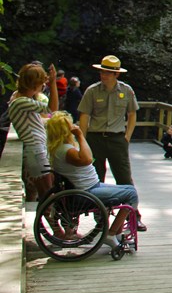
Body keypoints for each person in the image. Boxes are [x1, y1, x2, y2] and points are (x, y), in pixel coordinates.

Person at [46, 111, 139, 249]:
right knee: (132, 194)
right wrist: (80, 136)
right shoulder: (67, 151)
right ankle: (111, 233)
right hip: (86, 192)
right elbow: (88, 159)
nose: (74, 127)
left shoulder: (58, 148)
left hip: (87, 187)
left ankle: (117, 233)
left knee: (128, 189)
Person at [77, 55, 146, 231]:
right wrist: (82, 140)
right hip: (95, 138)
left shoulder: (126, 91)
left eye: (108, 72)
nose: (103, 75)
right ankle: (100, 218)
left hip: (117, 139)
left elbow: (132, 114)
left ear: (116, 74)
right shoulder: (92, 91)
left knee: (124, 177)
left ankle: (134, 216)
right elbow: (84, 116)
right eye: (102, 71)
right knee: (96, 178)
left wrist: (127, 137)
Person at [8, 63, 59, 200]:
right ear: (34, 84)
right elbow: (52, 109)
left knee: (44, 193)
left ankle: (41, 221)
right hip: (36, 151)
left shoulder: (20, 98)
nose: (44, 86)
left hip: (37, 150)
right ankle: (51, 221)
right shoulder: (21, 101)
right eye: (42, 82)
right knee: (48, 194)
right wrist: (53, 83)